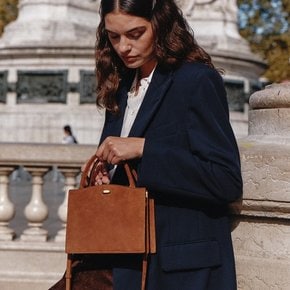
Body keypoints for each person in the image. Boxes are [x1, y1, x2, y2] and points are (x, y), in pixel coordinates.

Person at [51, 0, 243, 289]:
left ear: (161, 25)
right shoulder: (122, 85)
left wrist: (144, 149)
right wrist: (106, 174)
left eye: (135, 33)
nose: (123, 46)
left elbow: (225, 179)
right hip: (122, 257)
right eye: (113, 36)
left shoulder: (196, 80)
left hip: (178, 270)